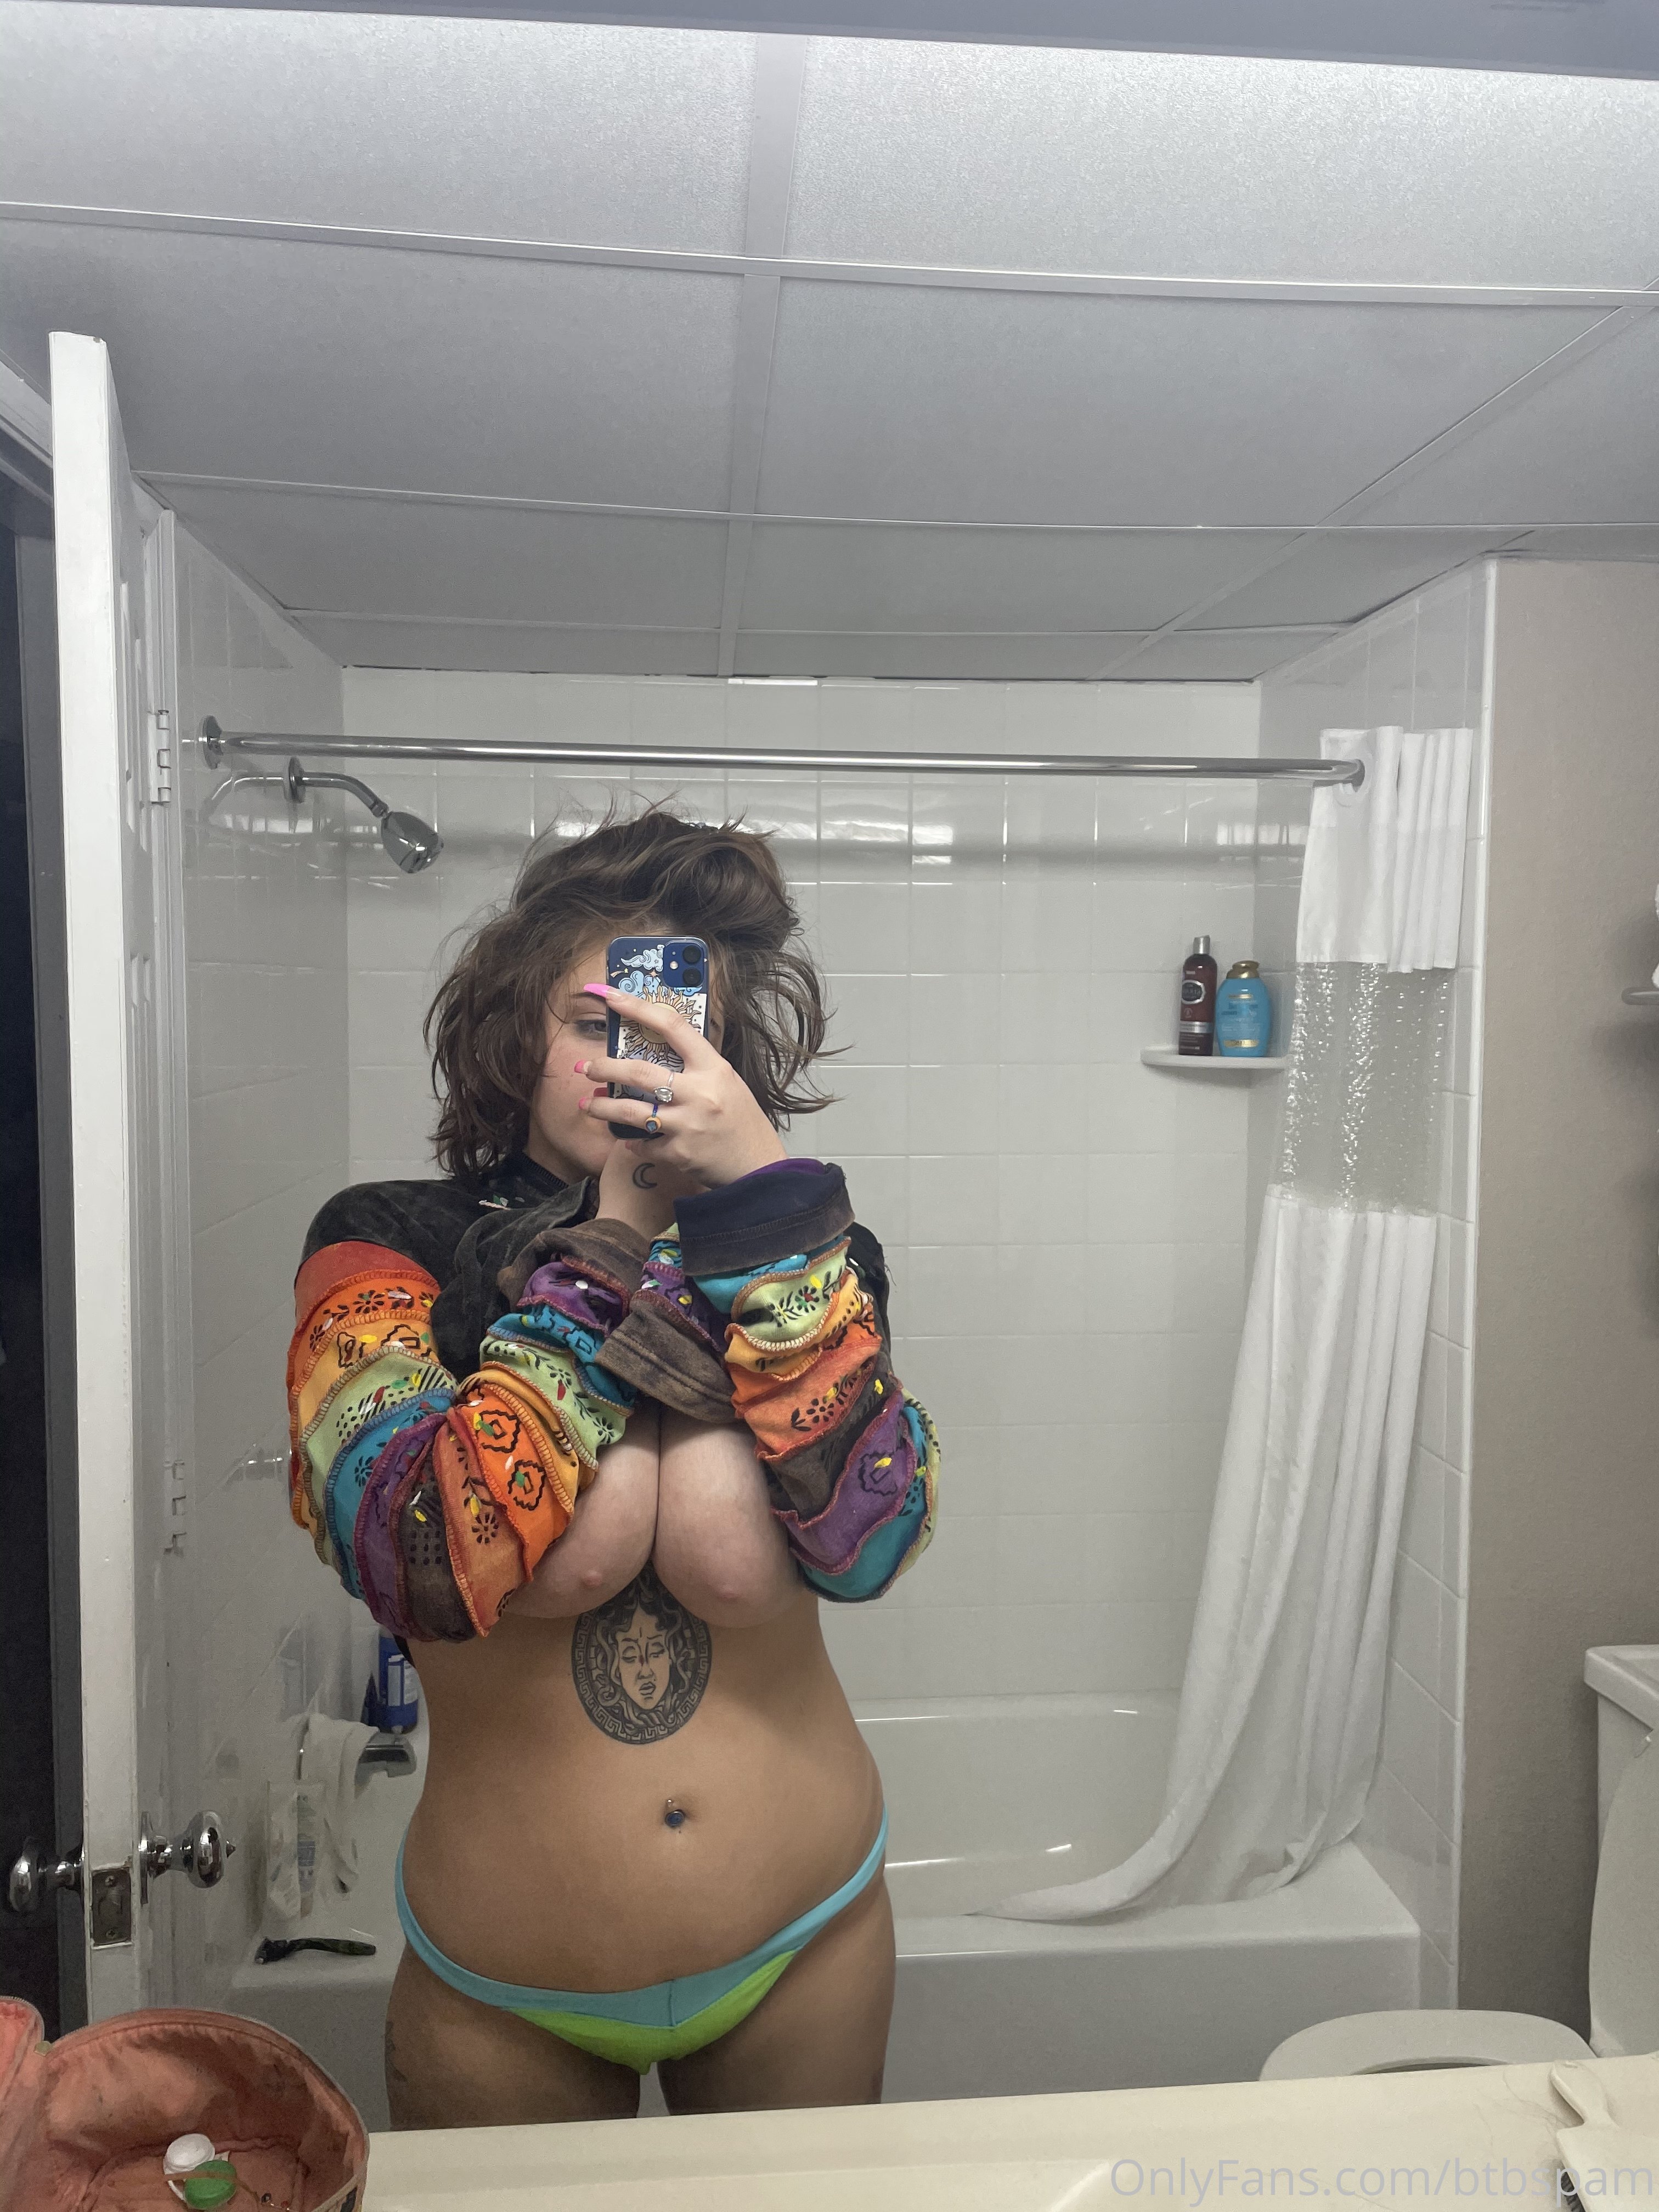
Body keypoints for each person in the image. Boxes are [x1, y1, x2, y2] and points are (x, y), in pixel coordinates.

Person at [285, 809, 940, 2128]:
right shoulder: (385, 1242)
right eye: (598, 1023)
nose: (633, 1059)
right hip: (502, 1986)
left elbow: (870, 1541)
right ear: (518, 1031)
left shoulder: (805, 1254)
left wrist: (763, 1209)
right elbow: (417, 1555)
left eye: (675, 1031)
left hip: (804, 1934)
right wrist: (620, 1230)